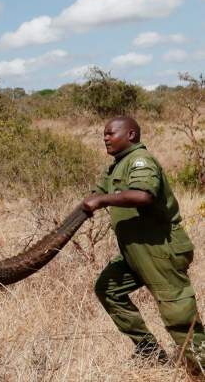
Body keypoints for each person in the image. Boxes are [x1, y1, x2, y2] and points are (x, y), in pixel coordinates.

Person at [82, 116, 205, 367]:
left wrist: (103, 201)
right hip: (134, 253)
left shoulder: (141, 161)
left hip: (159, 249)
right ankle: (149, 351)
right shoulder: (116, 166)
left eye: (111, 133)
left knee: (178, 314)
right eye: (103, 134)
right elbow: (97, 193)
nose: (105, 137)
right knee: (108, 289)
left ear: (131, 135)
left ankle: (199, 367)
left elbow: (143, 195)